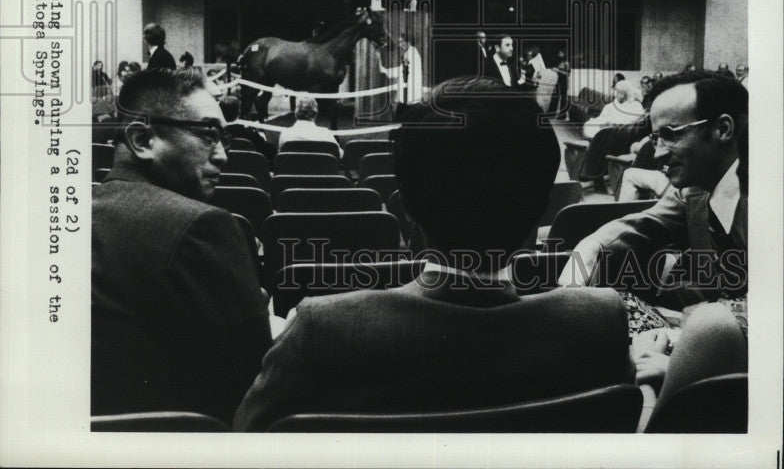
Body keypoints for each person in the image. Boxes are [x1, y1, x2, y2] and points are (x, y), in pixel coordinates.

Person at [234, 77, 633, 430]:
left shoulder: (321, 329)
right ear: (544, 208)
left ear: (405, 208)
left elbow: (245, 436)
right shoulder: (601, 321)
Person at [92, 69, 272, 422]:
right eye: (207, 135)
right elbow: (256, 388)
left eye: (224, 138)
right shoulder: (205, 227)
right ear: (143, 140)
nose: (222, 155)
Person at [561, 70, 748, 309]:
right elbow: (633, 227)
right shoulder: (693, 191)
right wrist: (588, 248)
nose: (658, 154)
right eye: (656, 138)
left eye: (670, 135)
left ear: (722, 129)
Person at [380, 35, 423, 105]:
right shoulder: (409, 53)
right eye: (399, 43)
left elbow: (402, 70)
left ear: (408, 42)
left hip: (411, 95)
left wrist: (385, 71)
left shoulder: (412, 53)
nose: (399, 45)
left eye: (401, 42)